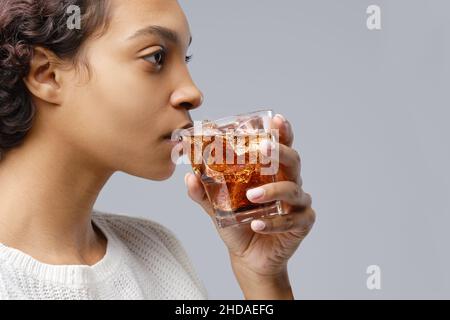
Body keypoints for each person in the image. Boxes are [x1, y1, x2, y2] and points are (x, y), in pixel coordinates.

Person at [0, 0, 315, 300]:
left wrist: (263, 279)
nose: (193, 93)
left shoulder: (158, 253)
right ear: (47, 74)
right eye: (156, 57)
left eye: (185, 59)